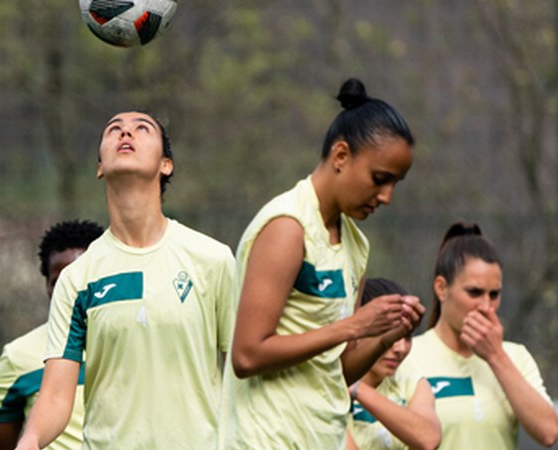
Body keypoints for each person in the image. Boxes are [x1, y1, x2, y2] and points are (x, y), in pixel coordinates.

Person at [218, 78, 425, 449]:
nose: (387, 196)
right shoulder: (287, 227)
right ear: (341, 156)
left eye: (396, 183)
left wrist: (384, 336)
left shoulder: (355, 243)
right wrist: (352, 326)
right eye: (380, 179)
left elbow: (338, 367)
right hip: (265, 440)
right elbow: (247, 355)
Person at [15, 110, 237, 450]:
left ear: (166, 164)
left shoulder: (212, 259)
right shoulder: (77, 279)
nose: (125, 134)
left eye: (142, 128)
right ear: (100, 167)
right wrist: (29, 442)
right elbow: (57, 398)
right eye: (113, 130)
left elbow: (240, 373)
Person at [396, 221, 558, 449]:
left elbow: (549, 432)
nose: (486, 306)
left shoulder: (514, 356)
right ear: (442, 288)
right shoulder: (405, 355)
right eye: (474, 292)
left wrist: (496, 356)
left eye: (494, 294)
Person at [0, 219, 104, 450]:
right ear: (46, 285)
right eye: (60, 282)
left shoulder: (139, 341)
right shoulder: (19, 357)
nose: (71, 291)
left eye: (82, 280)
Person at [347, 278, 441, 450]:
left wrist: (356, 388)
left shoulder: (410, 378)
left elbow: (429, 438)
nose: (401, 348)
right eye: (389, 336)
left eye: (407, 336)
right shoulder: (328, 385)